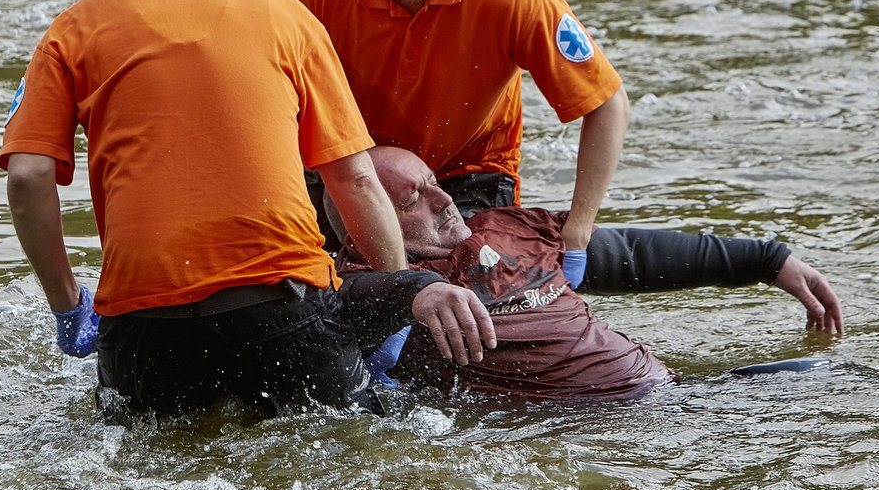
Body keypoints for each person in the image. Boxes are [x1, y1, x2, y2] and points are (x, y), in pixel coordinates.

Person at [0, 0, 494, 420]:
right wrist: (392, 303)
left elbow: (29, 176)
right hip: (284, 310)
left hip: (143, 324)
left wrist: (67, 306)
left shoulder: (72, 30)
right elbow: (353, 177)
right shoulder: (285, 16)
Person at [282, 0, 630, 268]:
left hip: (465, 175)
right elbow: (270, 109)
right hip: (350, 172)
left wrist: (578, 228)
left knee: (466, 291)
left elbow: (607, 103)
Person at [331, 147, 844, 400]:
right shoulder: (356, 283)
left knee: (837, 382)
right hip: (584, 430)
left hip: (677, 395)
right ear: (364, 224)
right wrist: (411, 290)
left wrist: (767, 260)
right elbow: (342, 310)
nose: (444, 200)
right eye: (412, 200)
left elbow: (631, 253)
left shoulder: (507, 225)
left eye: (433, 182)